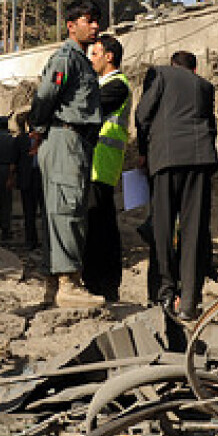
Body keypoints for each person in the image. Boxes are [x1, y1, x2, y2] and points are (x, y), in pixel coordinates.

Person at [28, 0, 105, 308]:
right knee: (66, 211)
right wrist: (39, 126)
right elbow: (45, 95)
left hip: (73, 141)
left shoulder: (81, 60)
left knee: (60, 210)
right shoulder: (67, 58)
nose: (96, 25)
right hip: (65, 139)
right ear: (72, 26)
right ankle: (69, 283)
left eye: (97, 19)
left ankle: (54, 284)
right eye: (90, 19)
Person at [136, 50, 218, 321]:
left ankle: (164, 293)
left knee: (162, 226)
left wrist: (143, 150)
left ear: (173, 65)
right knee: (194, 230)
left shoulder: (160, 74)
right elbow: (211, 126)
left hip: (167, 158)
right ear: (194, 69)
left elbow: (143, 113)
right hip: (200, 159)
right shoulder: (205, 86)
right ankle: (190, 301)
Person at [82, 34, 132, 302]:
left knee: (101, 227)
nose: (91, 59)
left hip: (103, 163)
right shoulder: (104, 84)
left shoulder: (117, 85)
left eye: (95, 54)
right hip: (95, 163)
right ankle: (98, 281)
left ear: (109, 56)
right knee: (96, 224)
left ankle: (103, 283)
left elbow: (89, 108)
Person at [14, 112, 42, 249]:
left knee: (45, 212)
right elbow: (15, 160)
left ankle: (47, 241)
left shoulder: (43, 138)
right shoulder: (21, 139)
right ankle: (31, 241)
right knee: (29, 213)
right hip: (27, 179)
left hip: (41, 178)